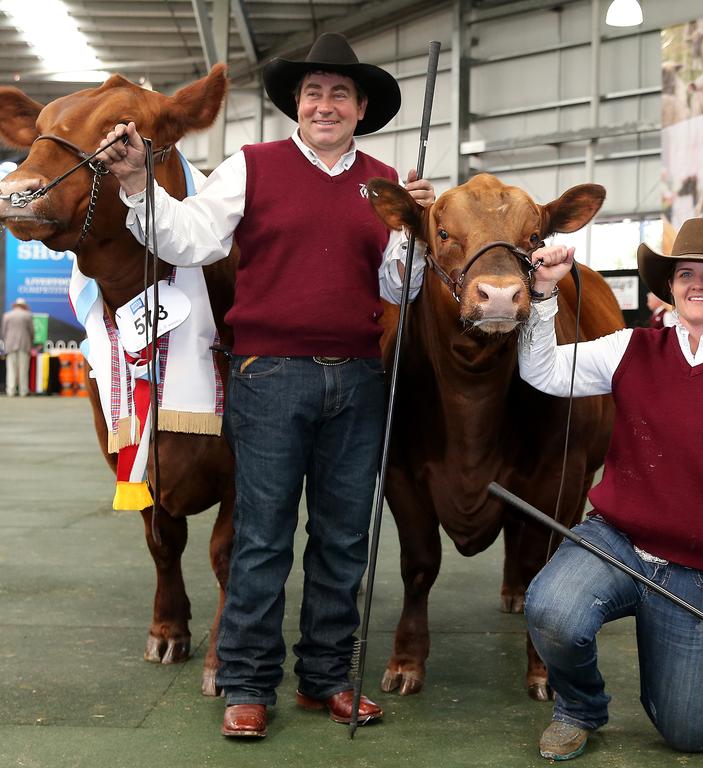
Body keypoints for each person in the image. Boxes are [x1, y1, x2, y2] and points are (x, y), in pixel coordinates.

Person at [96, 33, 434, 739]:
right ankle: (249, 684)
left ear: (362, 107)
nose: (325, 103)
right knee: (262, 535)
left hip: (358, 379)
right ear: (295, 104)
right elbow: (190, 239)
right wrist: (135, 185)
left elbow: (396, 286)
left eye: (340, 93)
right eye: (313, 92)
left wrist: (415, 233)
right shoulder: (251, 167)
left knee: (344, 540)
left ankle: (327, 679)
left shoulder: (385, 180)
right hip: (269, 375)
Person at [517, 217, 703, 760]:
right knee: (551, 610)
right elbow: (544, 373)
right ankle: (579, 708)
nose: (697, 284)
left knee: (691, 732)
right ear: (672, 285)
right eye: (685, 274)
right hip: (615, 541)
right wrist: (542, 294)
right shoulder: (630, 347)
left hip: (695, 573)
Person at [2, 298, 34, 397]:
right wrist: (31, 342)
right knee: (23, 369)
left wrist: (7, 341)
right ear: (24, 306)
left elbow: (3, 332)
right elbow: (31, 332)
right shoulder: (27, 315)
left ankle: (10, 391)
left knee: (11, 368)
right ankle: (23, 391)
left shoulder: (7, 315)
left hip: (10, 345)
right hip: (24, 345)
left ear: (15, 305)